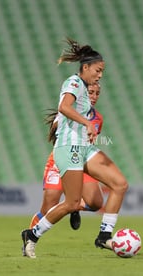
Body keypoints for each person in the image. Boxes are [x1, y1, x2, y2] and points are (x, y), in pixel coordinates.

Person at [21, 38, 128, 259]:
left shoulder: (87, 95)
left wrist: (90, 128)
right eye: (98, 70)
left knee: (119, 184)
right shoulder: (73, 83)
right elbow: (64, 107)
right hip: (68, 148)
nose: (100, 75)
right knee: (70, 203)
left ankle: (104, 236)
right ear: (86, 67)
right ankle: (32, 235)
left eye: (103, 72)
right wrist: (87, 123)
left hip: (85, 148)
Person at [28, 83, 104, 234]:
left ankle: (72, 206)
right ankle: (29, 239)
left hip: (81, 159)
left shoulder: (97, 119)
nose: (94, 97)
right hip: (61, 159)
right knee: (48, 208)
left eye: (97, 93)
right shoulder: (67, 112)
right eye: (90, 93)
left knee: (96, 202)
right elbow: (55, 131)